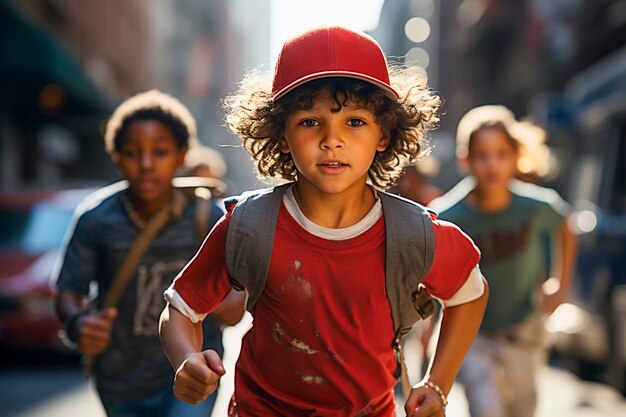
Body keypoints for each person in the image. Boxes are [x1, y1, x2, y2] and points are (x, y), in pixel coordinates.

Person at [159, 26, 489, 417]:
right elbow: (180, 309)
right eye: (310, 122)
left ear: (383, 133)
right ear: (281, 135)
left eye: (354, 122)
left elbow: (470, 293)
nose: (332, 140)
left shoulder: (414, 234)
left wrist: (438, 383)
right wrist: (185, 360)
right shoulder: (248, 224)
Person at [51, 89, 244, 417]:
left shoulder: (207, 218)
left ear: (182, 155)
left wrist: (233, 300)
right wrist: (77, 322)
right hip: (119, 380)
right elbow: (68, 291)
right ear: (116, 156)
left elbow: (235, 300)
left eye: (160, 151)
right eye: (131, 152)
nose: (145, 164)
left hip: (192, 373)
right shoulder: (96, 218)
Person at [429, 104, 578, 417]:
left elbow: (566, 227)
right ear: (465, 159)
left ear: (516, 156)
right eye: (482, 155)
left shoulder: (535, 205)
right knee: (487, 408)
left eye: (501, 154)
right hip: (474, 335)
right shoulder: (447, 214)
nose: (491, 164)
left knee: (522, 409)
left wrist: (560, 286)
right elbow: (432, 274)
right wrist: (430, 328)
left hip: (525, 330)